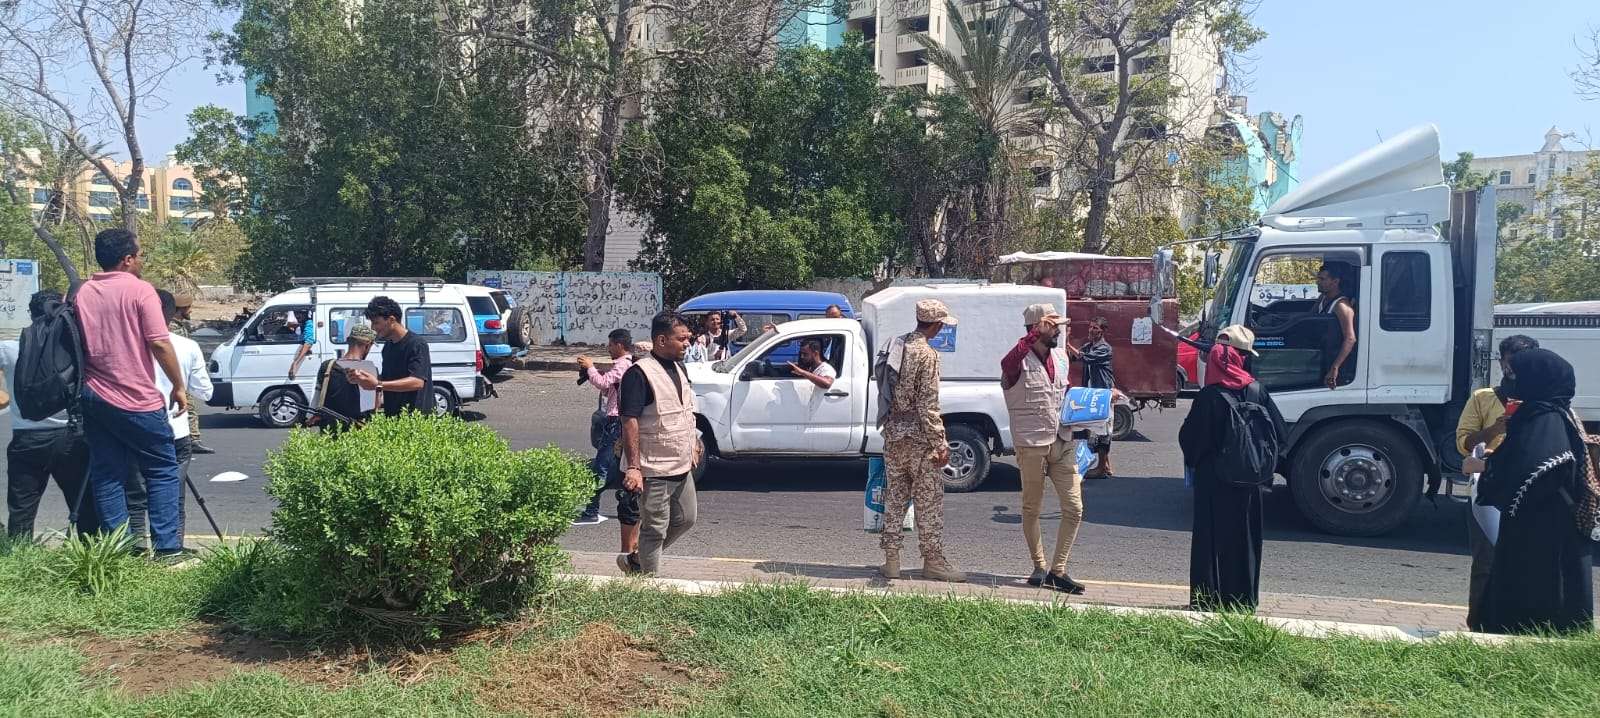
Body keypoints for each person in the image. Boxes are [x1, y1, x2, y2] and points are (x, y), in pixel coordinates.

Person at [74, 228, 189, 561]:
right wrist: (178, 386)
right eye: (139, 255)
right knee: (162, 468)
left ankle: (119, 552)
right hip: (136, 398)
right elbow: (159, 342)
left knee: (108, 473)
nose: (141, 260)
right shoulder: (140, 290)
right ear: (127, 259)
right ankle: (168, 549)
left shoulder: (83, 292)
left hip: (94, 395)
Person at [1472, 348, 1594, 635]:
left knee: (1537, 596)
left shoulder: (1545, 420)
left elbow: (1537, 469)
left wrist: (1487, 468)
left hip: (1543, 530)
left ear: (1536, 380)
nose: (1510, 382)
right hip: (1539, 524)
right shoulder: (1545, 413)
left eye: (1516, 375)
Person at [1178, 326, 1284, 611]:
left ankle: (1207, 601)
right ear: (1242, 358)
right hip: (1250, 480)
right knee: (1245, 537)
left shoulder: (1209, 396)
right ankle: (1243, 601)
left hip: (1214, 479)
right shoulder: (1257, 391)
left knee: (1210, 539)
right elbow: (1280, 435)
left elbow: (1192, 441)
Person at [1453, 334, 1540, 631]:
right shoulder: (1483, 398)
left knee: (1527, 560)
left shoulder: (1542, 399)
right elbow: (1464, 444)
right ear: (1501, 362)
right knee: (1486, 561)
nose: (1512, 369)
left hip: (1528, 490)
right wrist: (1494, 430)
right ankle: (1478, 625)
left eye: (1520, 363)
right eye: (1508, 362)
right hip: (1487, 490)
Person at [1000, 303, 1085, 594]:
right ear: (1037, 328)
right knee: (1032, 507)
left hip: (1062, 440)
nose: (1059, 331)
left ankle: (1058, 570)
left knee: (1074, 508)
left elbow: (1065, 393)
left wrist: (1097, 401)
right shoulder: (1017, 361)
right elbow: (1007, 363)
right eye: (1053, 326)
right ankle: (1039, 566)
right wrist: (1032, 336)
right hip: (1032, 444)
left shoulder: (1060, 356)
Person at [879, 299, 965, 583]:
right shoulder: (927, 354)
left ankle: (892, 560)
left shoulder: (898, 344)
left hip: (894, 435)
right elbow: (928, 405)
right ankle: (933, 561)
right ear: (937, 326)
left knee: (895, 498)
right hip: (919, 440)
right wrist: (940, 443)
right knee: (928, 502)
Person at [2, 291, 100, 538]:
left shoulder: (10, 348)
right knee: (83, 505)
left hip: (26, 437)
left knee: (21, 509)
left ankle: (20, 554)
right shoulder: (74, 348)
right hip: (71, 436)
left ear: (30, 314)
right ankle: (89, 553)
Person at [617, 312, 702, 575]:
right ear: (662, 340)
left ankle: (636, 560)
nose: (687, 343)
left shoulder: (680, 367)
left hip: (681, 463)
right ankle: (647, 583)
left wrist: (695, 442)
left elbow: (685, 410)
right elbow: (629, 421)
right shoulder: (638, 374)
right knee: (654, 529)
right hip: (653, 468)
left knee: (686, 519)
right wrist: (634, 468)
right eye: (682, 339)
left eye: (688, 338)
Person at [138, 290, 212, 547]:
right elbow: (205, 392)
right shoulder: (186, 345)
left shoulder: (125, 344)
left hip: (134, 427)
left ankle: (135, 549)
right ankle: (170, 548)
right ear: (172, 313)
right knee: (172, 494)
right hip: (175, 430)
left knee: (135, 495)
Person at [575, 329, 635, 527]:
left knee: (602, 466)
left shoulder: (623, 365)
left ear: (619, 345)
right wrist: (593, 372)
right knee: (617, 466)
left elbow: (604, 382)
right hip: (618, 420)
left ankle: (591, 511)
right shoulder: (625, 365)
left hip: (616, 421)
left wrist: (591, 367)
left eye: (610, 345)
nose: (608, 349)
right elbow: (608, 387)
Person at [349, 296, 434, 416]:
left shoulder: (417, 344)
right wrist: (363, 377)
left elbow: (417, 382)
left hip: (415, 418)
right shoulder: (388, 347)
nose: (373, 328)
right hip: (393, 416)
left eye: (376, 322)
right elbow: (388, 378)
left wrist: (377, 384)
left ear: (391, 320)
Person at [1067, 316, 1116, 479]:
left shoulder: (1104, 348)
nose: (1091, 330)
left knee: (1103, 430)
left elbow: (1084, 357)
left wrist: (1067, 343)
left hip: (1103, 394)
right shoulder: (1089, 346)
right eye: (1090, 327)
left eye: (1095, 328)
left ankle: (1101, 468)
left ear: (1103, 331)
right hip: (1092, 393)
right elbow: (1074, 357)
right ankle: (1106, 466)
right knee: (1095, 429)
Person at [309, 324, 377, 432]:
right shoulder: (369, 371)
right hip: (358, 431)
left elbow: (316, 396)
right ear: (368, 345)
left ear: (348, 341)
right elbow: (374, 406)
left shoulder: (327, 366)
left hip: (329, 430)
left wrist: (311, 416)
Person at [169, 294, 213, 455]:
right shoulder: (173, 329)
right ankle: (192, 440)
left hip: (181, 374)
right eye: (188, 307)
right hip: (178, 375)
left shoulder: (179, 326)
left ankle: (192, 438)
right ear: (180, 309)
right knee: (188, 408)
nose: (191, 310)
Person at [1315, 262, 1357, 389]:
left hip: (1336, 363)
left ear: (1335, 282)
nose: (1318, 282)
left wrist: (1335, 368)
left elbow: (1350, 339)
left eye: (1322, 279)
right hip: (1323, 356)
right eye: (1318, 278)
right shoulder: (1322, 298)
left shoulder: (1341, 306)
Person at [286, 309, 317, 381]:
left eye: (299, 314)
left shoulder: (309, 323)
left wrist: (295, 363)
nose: (298, 316)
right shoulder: (305, 323)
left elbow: (309, 341)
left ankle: (295, 364)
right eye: (297, 315)